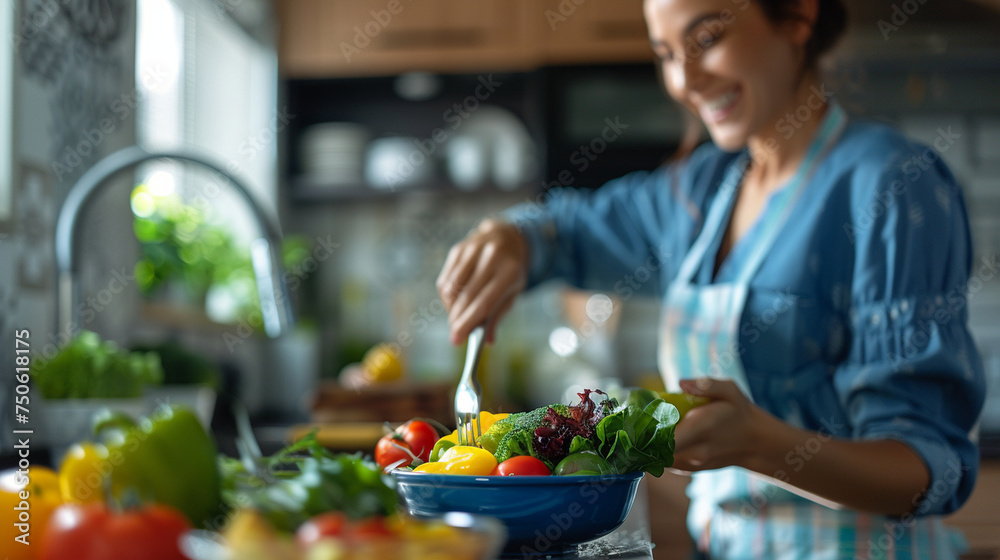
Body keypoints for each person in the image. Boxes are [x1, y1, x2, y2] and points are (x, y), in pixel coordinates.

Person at [435, 0, 986, 557]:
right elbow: (567, 231)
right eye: (666, 54)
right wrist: (512, 236)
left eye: (707, 40)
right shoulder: (703, 190)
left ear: (797, 16)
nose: (683, 80)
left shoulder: (891, 186)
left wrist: (759, 444)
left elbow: (926, 470)